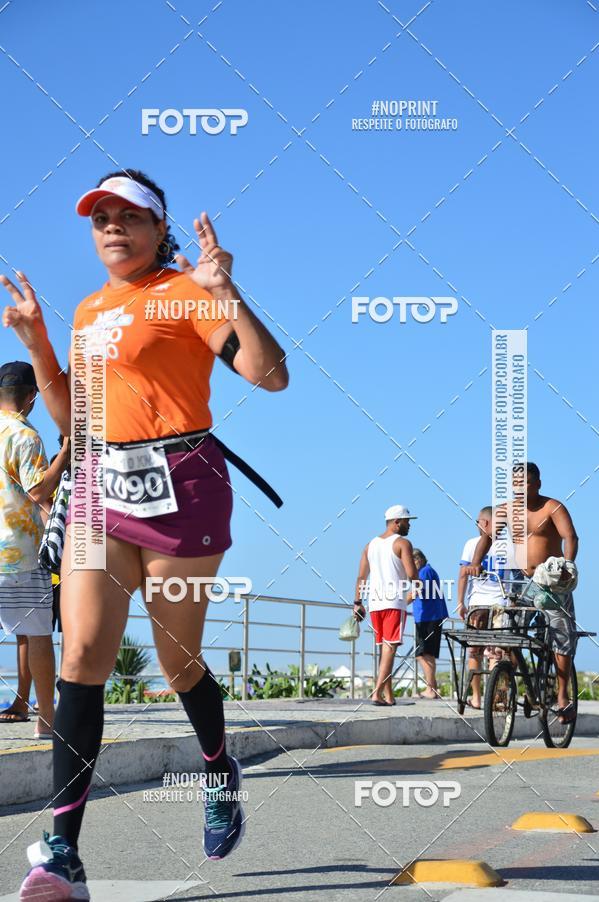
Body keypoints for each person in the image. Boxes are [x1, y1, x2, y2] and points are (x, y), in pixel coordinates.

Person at [2, 169, 289, 900]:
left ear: (159, 228)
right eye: (100, 218)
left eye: (128, 216)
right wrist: (39, 341)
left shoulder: (188, 290)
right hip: (101, 487)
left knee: (177, 662)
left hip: (183, 486)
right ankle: (61, 849)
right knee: (82, 656)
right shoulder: (91, 308)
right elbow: (76, 423)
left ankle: (219, 766)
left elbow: (270, 374)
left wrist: (226, 293)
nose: (111, 228)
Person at [463, 463, 579, 722]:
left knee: (562, 636)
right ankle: (520, 679)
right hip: (521, 581)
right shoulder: (506, 510)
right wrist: (476, 562)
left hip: (551, 581)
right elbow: (488, 537)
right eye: (515, 484)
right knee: (508, 632)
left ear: (537, 483)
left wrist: (567, 565)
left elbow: (570, 537)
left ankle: (562, 696)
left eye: (524, 483)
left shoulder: (552, 507)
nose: (519, 489)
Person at [0, 362, 69, 736]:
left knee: (22, 631)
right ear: (31, 397)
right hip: (19, 553)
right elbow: (39, 491)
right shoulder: (25, 436)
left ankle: (23, 703)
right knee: (38, 632)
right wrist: (66, 455)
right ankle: (48, 720)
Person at [353, 504, 418, 706]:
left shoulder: (369, 545)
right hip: (394, 601)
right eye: (407, 522)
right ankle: (377, 692)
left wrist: (358, 603)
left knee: (385, 649)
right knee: (390, 648)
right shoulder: (402, 543)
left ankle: (389, 695)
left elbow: (361, 577)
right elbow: (412, 573)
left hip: (374, 602)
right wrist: (419, 585)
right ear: (396, 522)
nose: (409, 526)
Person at [457, 506, 513, 709]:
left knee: (474, 652)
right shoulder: (510, 546)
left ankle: (478, 697)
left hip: (477, 604)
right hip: (501, 604)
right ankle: (495, 697)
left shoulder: (471, 544)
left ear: (484, 523)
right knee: (496, 652)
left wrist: (460, 602)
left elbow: (463, 574)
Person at [410, 549, 448, 700]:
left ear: (417, 560)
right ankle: (432, 688)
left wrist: (399, 603)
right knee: (428, 654)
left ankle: (431, 687)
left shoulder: (425, 572)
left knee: (421, 654)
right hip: (430, 617)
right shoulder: (429, 571)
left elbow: (417, 592)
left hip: (427, 618)